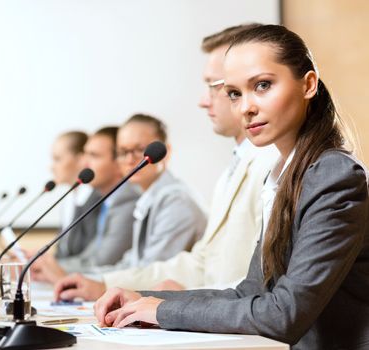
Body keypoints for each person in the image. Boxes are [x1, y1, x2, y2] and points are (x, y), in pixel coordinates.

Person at [94, 25, 369, 350]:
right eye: (235, 93)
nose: (245, 107)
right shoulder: (283, 173)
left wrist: (165, 311)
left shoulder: (333, 174)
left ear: (308, 84)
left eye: (263, 86)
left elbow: (284, 313)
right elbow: (250, 291)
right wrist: (146, 299)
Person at [53, 24, 277, 301]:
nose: (203, 101)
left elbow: (265, 285)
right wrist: (107, 283)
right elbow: (202, 262)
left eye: (215, 86)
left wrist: (177, 301)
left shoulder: (274, 164)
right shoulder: (232, 170)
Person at [52, 114, 207, 294]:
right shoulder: (149, 196)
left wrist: (100, 285)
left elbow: (153, 271)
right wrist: (90, 280)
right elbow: (130, 264)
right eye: (123, 152)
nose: (130, 160)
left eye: (140, 150)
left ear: (166, 152)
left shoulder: (176, 202)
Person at [30, 127, 140, 283]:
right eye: (85, 154)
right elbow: (90, 255)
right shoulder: (108, 200)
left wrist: (55, 269)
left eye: (94, 155)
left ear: (118, 163)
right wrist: (46, 264)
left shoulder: (127, 200)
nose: (84, 163)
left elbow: (103, 260)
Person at [50, 130, 97, 259]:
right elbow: (63, 250)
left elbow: (91, 256)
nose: (51, 167)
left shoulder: (96, 199)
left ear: (81, 159)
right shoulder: (69, 199)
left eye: (57, 159)